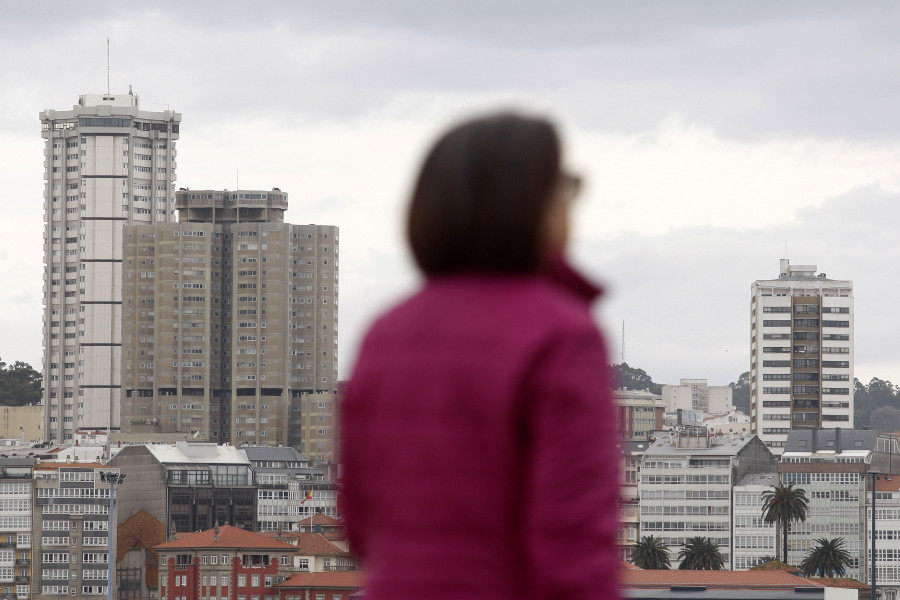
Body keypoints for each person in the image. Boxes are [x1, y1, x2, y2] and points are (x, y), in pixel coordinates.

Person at [340, 112, 619, 599]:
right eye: (566, 186)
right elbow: (573, 542)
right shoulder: (562, 333)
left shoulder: (385, 333)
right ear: (533, 204)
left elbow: (360, 523)